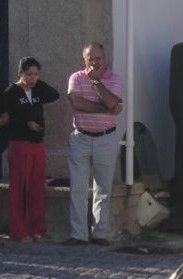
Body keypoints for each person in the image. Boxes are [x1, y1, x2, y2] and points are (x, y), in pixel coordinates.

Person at [65, 42, 123, 246]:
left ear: (104, 59)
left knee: (103, 189)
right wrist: (107, 108)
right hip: (80, 137)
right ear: (85, 59)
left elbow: (114, 102)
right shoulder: (76, 78)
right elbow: (76, 102)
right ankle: (78, 235)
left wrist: (97, 83)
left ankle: (100, 234)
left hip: (105, 138)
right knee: (78, 188)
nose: (95, 62)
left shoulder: (114, 79)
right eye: (91, 58)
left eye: (98, 58)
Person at [4, 57, 60, 243]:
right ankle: (19, 230)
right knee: (20, 188)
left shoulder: (38, 89)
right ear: (20, 74)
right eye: (29, 74)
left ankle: (37, 229)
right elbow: (7, 117)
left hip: (37, 143)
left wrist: (36, 83)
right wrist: (26, 122)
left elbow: (55, 95)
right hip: (20, 143)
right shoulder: (11, 93)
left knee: (36, 188)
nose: (33, 78)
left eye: (36, 74)